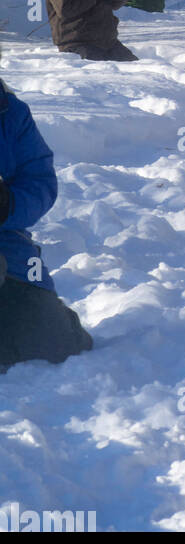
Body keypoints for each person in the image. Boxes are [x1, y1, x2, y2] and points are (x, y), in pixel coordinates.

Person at [0, 77, 93, 372]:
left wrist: (8, 204)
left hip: (8, 255)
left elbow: (39, 181)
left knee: (53, 343)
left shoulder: (10, 112)